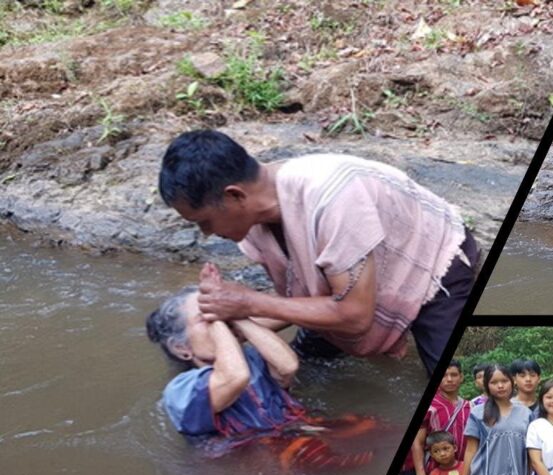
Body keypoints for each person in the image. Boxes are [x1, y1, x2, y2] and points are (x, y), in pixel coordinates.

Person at [158, 130, 478, 375]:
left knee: (451, 384)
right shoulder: (254, 211)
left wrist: (247, 303)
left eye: (204, 222)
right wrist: (231, 326)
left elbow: (354, 317)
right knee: (311, 372)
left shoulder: (333, 198)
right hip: (346, 288)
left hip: (432, 266)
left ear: (234, 196)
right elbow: (295, 297)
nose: (207, 233)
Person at [147, 266, 383, 470]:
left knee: (374, 426)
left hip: (297, 430)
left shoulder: (251, 356)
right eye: (204, 317)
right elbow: (236, 377)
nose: (217, 318)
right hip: (253, 455)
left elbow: (288, 366)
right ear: (181, 348)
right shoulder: (180, 390)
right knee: (308, 453)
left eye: (215, 311)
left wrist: (237, 314)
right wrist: (218, 314)